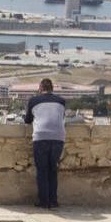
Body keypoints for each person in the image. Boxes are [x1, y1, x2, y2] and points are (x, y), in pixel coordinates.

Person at [24, 78, 66, 209]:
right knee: (53, 169)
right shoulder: (61, 101)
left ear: (40, 88)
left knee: (42, 170)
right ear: (52, 88)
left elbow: (27, 120)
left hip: (41, 137)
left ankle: (44, 201)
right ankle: (53, 201)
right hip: (58, 137)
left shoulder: (33, 101)